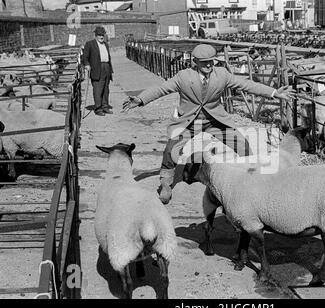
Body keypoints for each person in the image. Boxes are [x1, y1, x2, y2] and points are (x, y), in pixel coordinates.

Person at [122, 44, 295, 204]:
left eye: (211, 61)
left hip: (215, 120)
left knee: (243, 145)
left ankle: (249, 180)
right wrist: (141, 99)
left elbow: (246, 85)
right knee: (170, 150)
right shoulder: (183, 77)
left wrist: (273, 92)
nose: (209, 65)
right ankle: (166, 184)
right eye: (204, 63)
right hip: (189, 122)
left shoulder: (222, 75)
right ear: (195, 62)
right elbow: (161, 89)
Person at [83, 26, 114, 116]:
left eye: (102, 35)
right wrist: (87, 65)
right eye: (99, 35)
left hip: (106, 67)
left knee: (105, 89)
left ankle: (105, 106)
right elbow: (85, 57)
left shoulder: (106, 44)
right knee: (98, 89)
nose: (101, 37)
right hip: (97, 68)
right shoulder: (90, 44)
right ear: (95, 35)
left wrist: (110, 69)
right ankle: (98, 108)